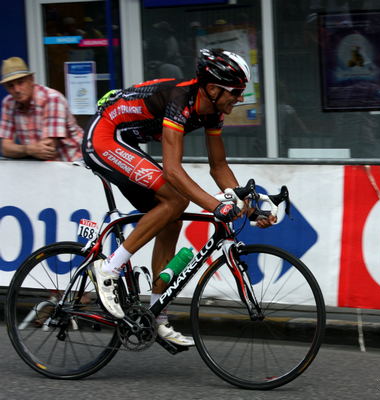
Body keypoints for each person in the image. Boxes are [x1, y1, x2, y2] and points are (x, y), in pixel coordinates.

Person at [82, 48, 275, 346]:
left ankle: (157, 315)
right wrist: (216, 206)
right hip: (105, 136)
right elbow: (172, 170)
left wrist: (249, 210)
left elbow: (219, 167)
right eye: (235, 92)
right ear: (212, 88)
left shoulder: (212, 112)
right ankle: (109, 269)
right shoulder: (180, 101)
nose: (239, 99)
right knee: (175, 200)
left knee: (170, 218)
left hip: (126, 139)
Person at [0, 57, 83, 161]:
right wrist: (28, 149)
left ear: (31, 80)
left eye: (20, 82)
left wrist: (20, 149)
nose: (16, 90)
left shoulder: (52, 98)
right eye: (10, 86)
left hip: (74, 162)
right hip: (39, 164)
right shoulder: (8, 103)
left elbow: (48, 149)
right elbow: (5, 148)